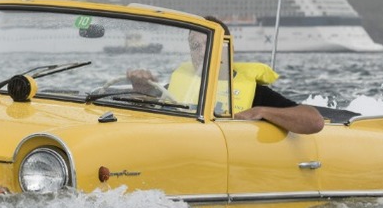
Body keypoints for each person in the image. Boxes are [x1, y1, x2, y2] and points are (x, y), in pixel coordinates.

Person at [127, 17, 324, 134]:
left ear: (227, 49)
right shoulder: (180, 86)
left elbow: (314, 121)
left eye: (209, 44)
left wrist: (262, 111)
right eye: (195, 46)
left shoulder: (256, 93)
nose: (203, 52)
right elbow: (146, 117)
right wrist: (143, 91)